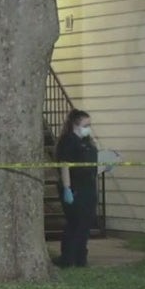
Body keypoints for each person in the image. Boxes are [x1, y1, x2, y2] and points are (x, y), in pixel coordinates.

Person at [55, 109, 99, 268]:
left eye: (90, 124)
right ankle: (68, 258)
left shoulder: (88, 142)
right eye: (86, 124)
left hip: (89, 187)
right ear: (75, 124)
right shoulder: (68, 141)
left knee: (85, 225)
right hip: (75, 188)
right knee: (75, 223)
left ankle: (81, 258)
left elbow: (90, 165)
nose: (89, 127)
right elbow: (65, 165)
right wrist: (67, 188)